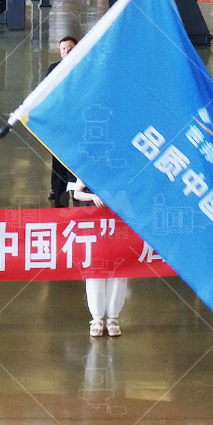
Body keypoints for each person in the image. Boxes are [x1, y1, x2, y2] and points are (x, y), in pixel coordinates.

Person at [70, 180, 127, 337]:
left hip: (118, 225)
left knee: (119, 270)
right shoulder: (89, 168)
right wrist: (93, 197)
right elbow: (77, 193)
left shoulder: (123, 170)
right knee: (96, 269)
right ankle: (96, 319)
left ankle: (113, 318)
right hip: (95, 226)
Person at [47, 36, 76, 204]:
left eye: (70, 48)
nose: (66, 51)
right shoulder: (54, 69)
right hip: (59, 122)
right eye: (63, 49)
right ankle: (57, 191)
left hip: (77, 121)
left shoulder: (84, 68)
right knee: (58, 159)